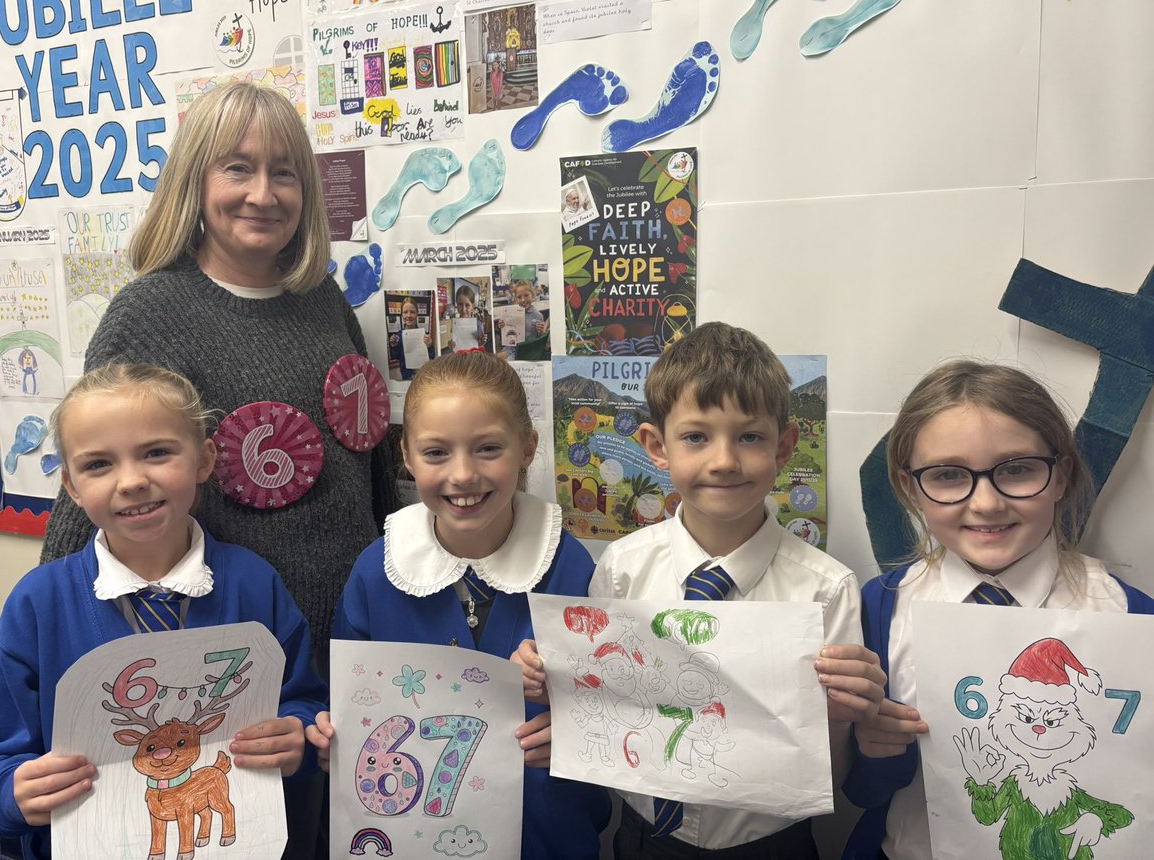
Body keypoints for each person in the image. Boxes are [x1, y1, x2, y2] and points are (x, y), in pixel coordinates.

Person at [38, 81, 392, 857]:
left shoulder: (322, 298)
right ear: (195, 182)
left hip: (353, 644)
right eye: (238, 168)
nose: (263, 193)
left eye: (284, 172)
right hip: (229, 665)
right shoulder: (151, 312)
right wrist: (38, 676)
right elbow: (93, 492)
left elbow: (371, 464)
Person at [519, 321, 886, 859]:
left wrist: (845, 712)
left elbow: (834, 766)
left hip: (772, 846)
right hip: (644, 839)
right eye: (696, 437)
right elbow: (601, 698)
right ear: (657, 447)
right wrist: (548, 677)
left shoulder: (827, 590)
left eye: (750, 437)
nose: (723, 461)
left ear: (785, 447)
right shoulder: (621, 569)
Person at [0, 363, 326, 860]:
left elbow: (304, 705)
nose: (131, 481)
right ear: (71, 486)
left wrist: (299, 741)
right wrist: (11, 793)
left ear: (204, 460)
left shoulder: (254, 585)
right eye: (98, 464)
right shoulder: (37, 606)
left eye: (156, 453)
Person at [840, 361, 1154, 860]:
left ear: (1061, 475)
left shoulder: (1133, 621)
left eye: (1017, 469)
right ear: (911, 488)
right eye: (948, 475)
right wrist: (877, 752)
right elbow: (860, 793)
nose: (986, 503)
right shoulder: (879, 608)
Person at [305, 352, 611, 859]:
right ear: (407, 456)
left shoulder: (571, 566)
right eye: (436, 452)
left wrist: (578, 733)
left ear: (527, 448)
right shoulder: (377, 571)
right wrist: (330, 736)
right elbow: (349, 705)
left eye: (488, 448)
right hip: (412, 840)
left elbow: (613, 706)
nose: (463, 474)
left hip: (546, 836)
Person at [496, 280, 548, 360]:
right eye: (519, 297)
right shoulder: (510, 313)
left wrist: (541, 332)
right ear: (515, 299)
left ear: (533, 296)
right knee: (495, 360)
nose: (523, 300)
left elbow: (539, 341)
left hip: (525, 352)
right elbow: (507, 335)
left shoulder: (538, 316)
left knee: (504, 363)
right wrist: (502, 326)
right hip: (511, 348)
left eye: (526, 295)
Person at [388, 293, 435, 379]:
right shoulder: (398, 336)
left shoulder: (424, 335)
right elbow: (396, 357)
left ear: (417, 314)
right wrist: (394, 347)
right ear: (402, 315)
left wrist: (429, 346)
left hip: (422, 375)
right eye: (405, 312)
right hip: (406, 376)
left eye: (412, 312)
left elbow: (432, 356)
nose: (408, 315)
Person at [444, 283, 487, 352]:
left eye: (467, 305)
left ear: (472, 306)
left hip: (473, 356)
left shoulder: (478, 324)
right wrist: (450, 344)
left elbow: (479, 346)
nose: (463, 310)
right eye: (460, 304)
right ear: (456, 305)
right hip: (460, 356)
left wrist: (482, 342)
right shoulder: (455, 324)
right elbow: (454, 343)